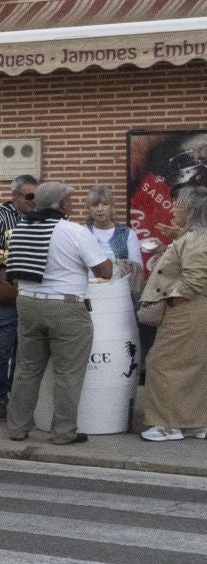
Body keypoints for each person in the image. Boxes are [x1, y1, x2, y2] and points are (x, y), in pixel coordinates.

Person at [5, 181, 114, 445]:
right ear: (62, 204)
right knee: (68, 373)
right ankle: (64, 432)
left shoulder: (22, 227)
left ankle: (17, 427)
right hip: (65, 307)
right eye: (71, 200)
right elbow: (105, 271)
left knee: (27, 369)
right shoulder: (73, 231)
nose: (74, 204)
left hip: (28, 303)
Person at [140, 186, 207, 441]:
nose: (174, 208)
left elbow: (195, 277)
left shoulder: (196, 238)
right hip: (195, 309)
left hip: (185, 309)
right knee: (193, 367)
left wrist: (171, 299)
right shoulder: (195, 235)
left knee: (161, 364)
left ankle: (166, 425)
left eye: (178, 204)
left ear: (190, 211)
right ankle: (195, 422)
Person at [0, 176, 39, 420]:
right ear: (15, 196)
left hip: (31, 293)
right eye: (29, 197)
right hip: (5, 295)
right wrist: (20, 255)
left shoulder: (37, 218)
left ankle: (18, 398)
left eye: (37, 197)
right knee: (2, 349)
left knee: (24, 351)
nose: (34, 202)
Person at [84, 185, 144, 291]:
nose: (100, 209)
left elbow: (137, 270)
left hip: (120, 292)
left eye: (105, 204)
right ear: (88, 208)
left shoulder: (127, 233)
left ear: (112, 207)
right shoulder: (82, 232)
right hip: (88, 292)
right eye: (95, 205)